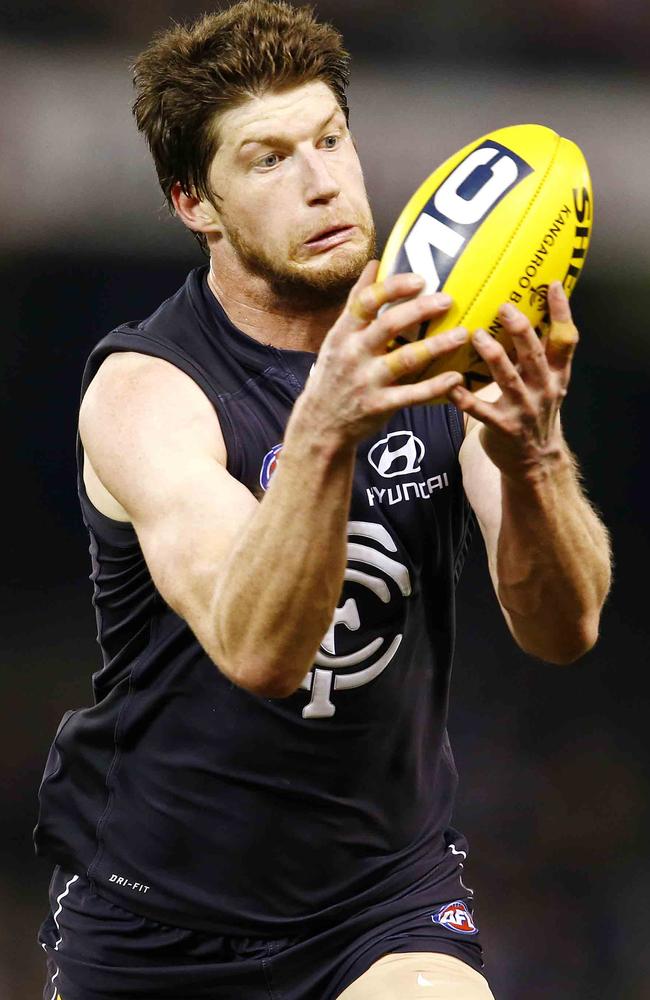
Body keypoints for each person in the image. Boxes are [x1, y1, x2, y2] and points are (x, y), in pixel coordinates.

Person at [33, 2, 612, 998]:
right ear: (192, 203)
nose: (321, 182)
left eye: (330, 139)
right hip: (157, 922)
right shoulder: (148, 394)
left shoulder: (439, 339)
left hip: (378, 898)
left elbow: (564, 627)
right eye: (265, 159)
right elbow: (259, 649)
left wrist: (532, 453)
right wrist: (325, 425)